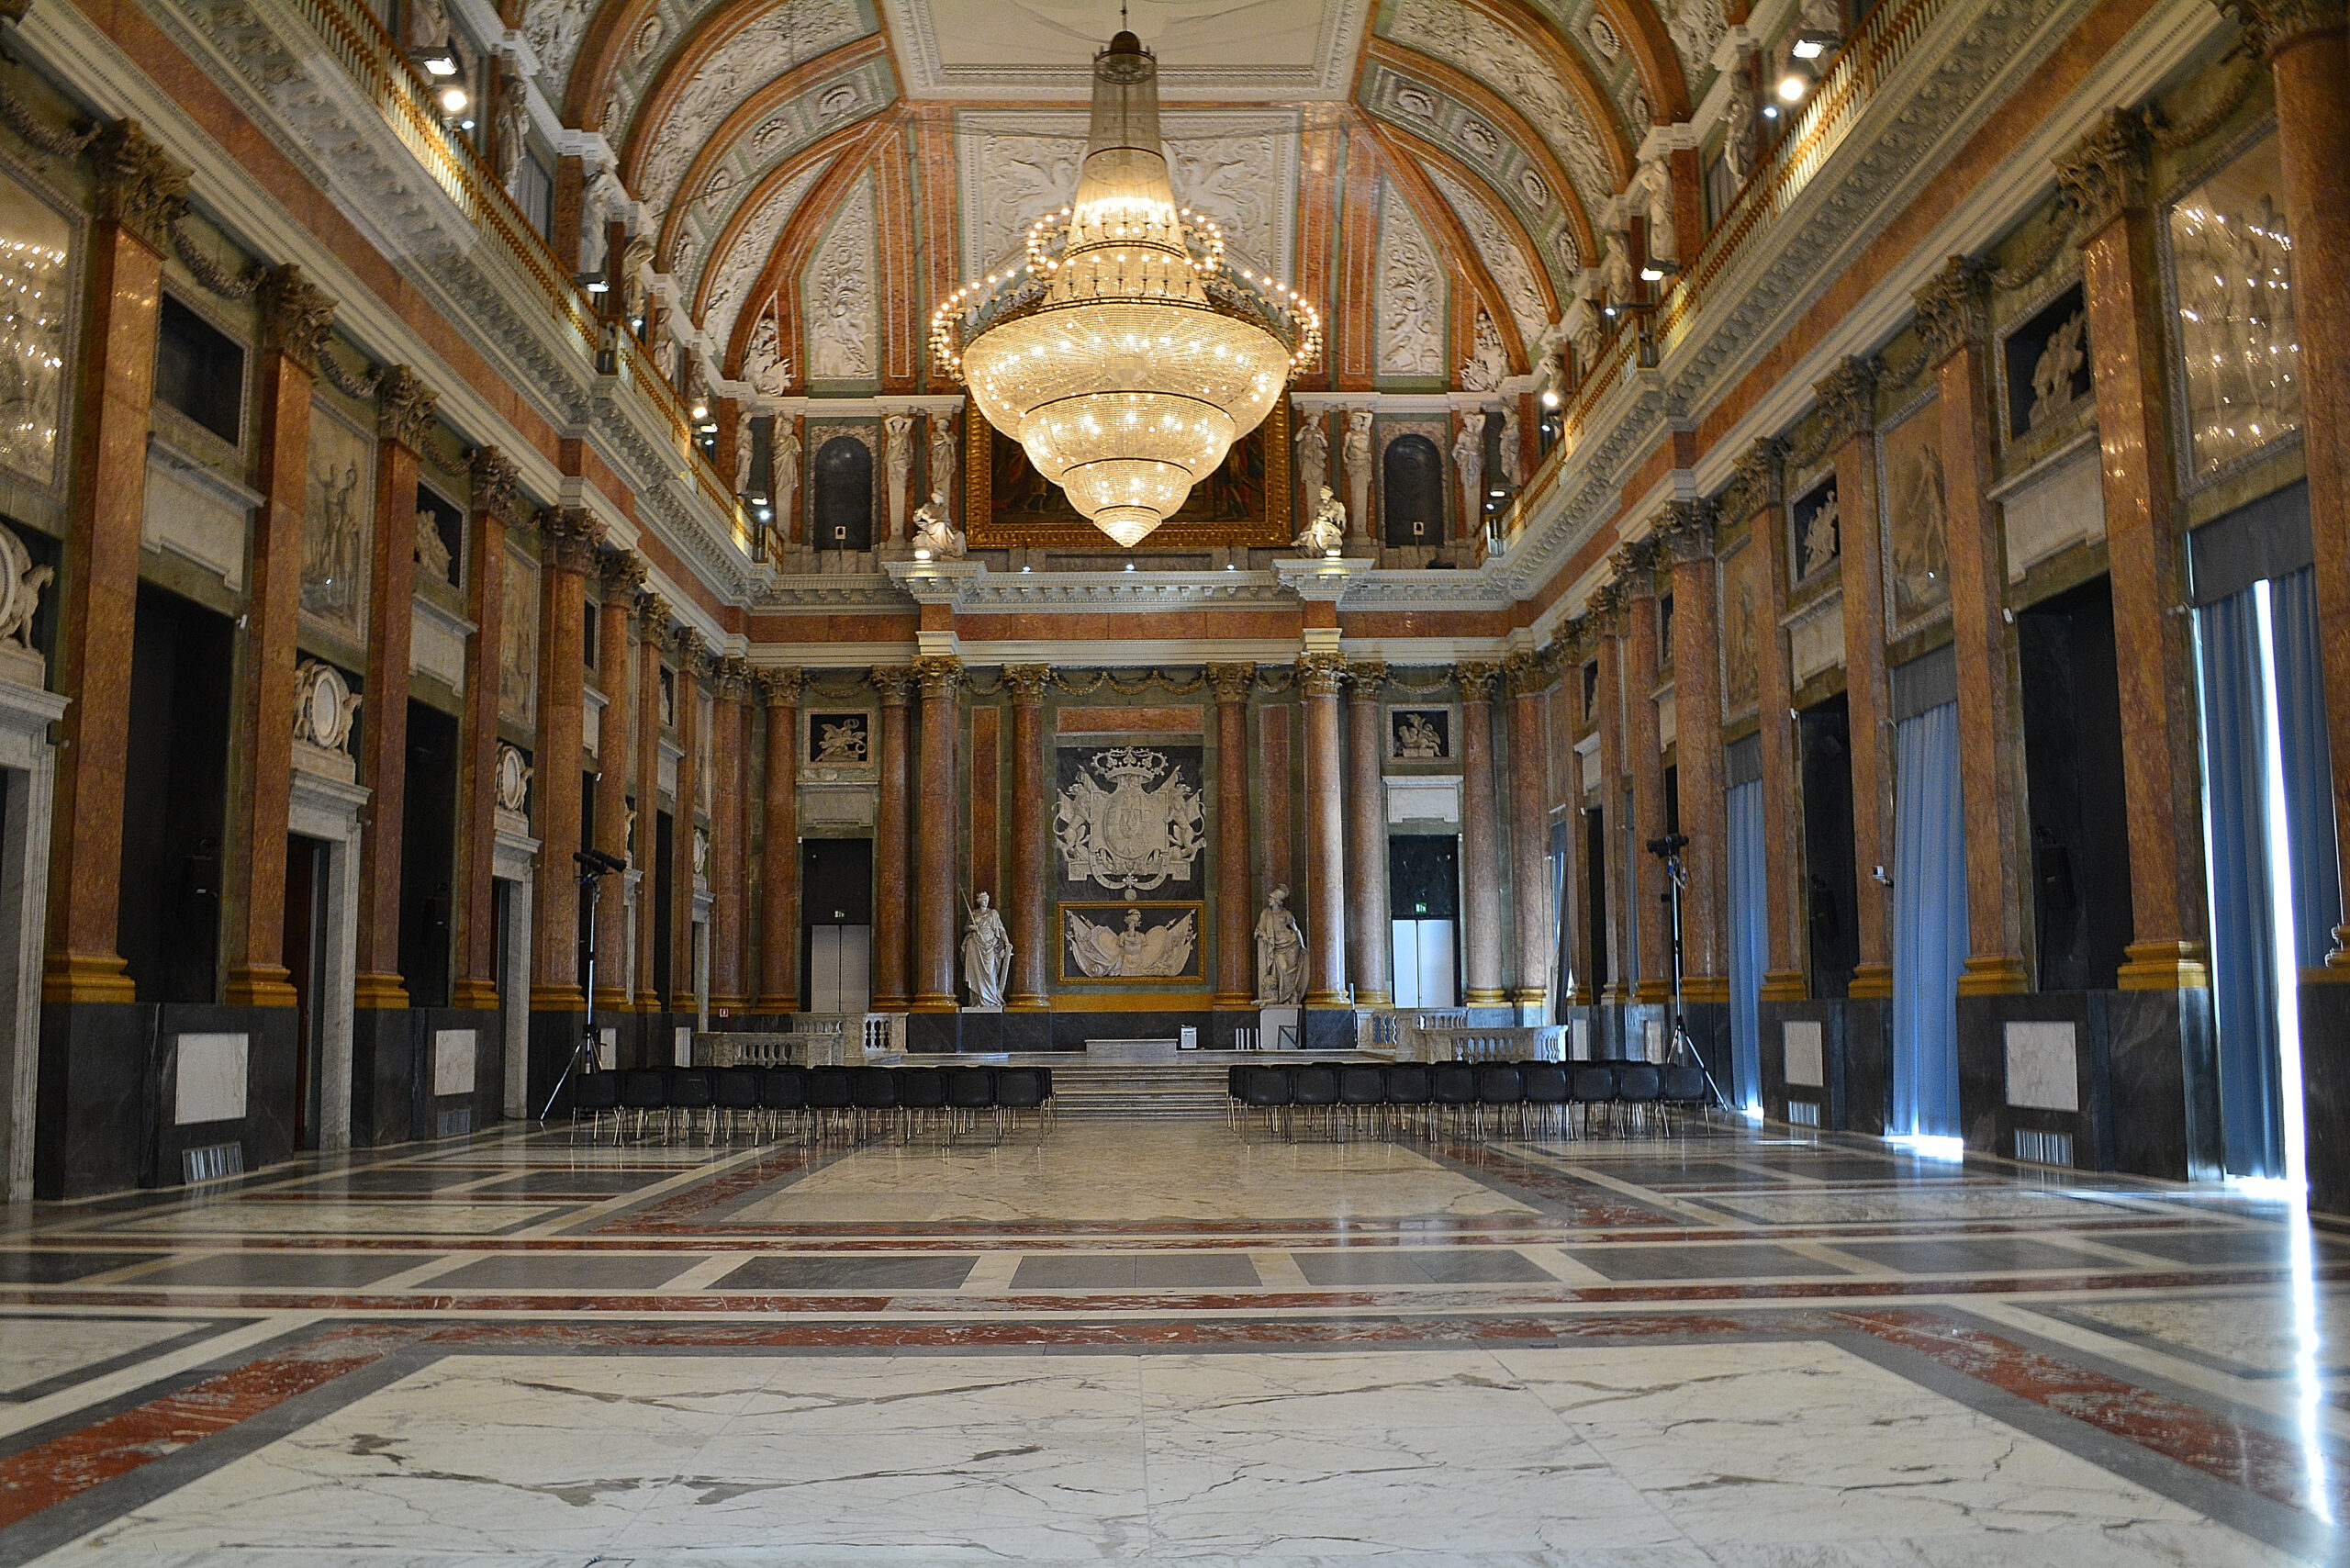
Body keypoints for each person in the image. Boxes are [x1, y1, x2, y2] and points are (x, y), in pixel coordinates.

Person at [1255, 886, 1305, 1006]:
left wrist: (1302, 945)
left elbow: (1296, 929)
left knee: (1291, 971)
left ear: (1277, 901)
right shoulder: (1265, 914)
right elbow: (1258, 930)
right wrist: (1264, 936)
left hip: (1291, 944)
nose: (1269, 900)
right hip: (1277, 947)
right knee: (1282, 969)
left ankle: (1291, 996)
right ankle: (1282, 997)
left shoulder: (1286, 914)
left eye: (1272, 898)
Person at [961, 891, 1011, 1008]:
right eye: (983, 900)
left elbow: (1001, 928)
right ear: (979, 902)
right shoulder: (973, 914)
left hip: (990, 945)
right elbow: (965, 929)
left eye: (987, 899)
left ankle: (991, 999)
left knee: (990, 972)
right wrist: (971, 927)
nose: (985, 902)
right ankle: (977, 1001)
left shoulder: (993, 913)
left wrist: (1006, 942)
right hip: (975, 945)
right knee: (975, 974)